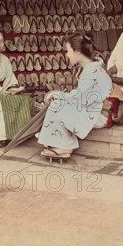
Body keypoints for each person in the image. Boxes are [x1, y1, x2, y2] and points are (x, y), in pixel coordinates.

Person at [38, 32, 112, 161]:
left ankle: (65, 145)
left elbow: (78, 99)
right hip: (92, 108)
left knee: (58, 105)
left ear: (77, 52)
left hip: (99, 114)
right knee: (58, 104)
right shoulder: (91, 67)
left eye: (68, 51)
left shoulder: (92, 71)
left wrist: (57, 94)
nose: (67, 54)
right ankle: (56, 138)